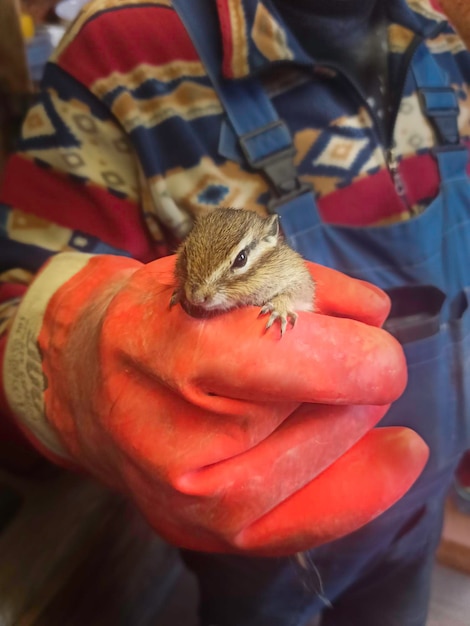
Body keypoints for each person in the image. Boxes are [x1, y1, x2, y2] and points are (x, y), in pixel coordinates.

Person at [0, 0, 469, 624]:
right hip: (254, 534)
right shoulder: (122, 49)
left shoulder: (437, 32)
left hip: (419, 496)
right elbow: (13, 298)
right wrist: (77, 352)